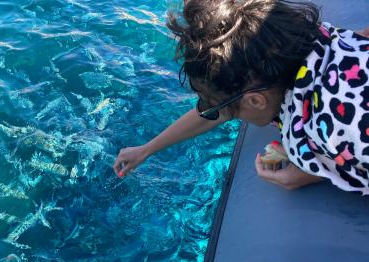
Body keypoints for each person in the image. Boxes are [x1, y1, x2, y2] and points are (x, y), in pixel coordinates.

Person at [112, 0, 369, 194]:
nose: (215, 111)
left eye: (213, 104)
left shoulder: (329, 131)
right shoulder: (322, 38)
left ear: (256, 101)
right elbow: (222, 111)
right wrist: (147, 149)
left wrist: (310, 172)